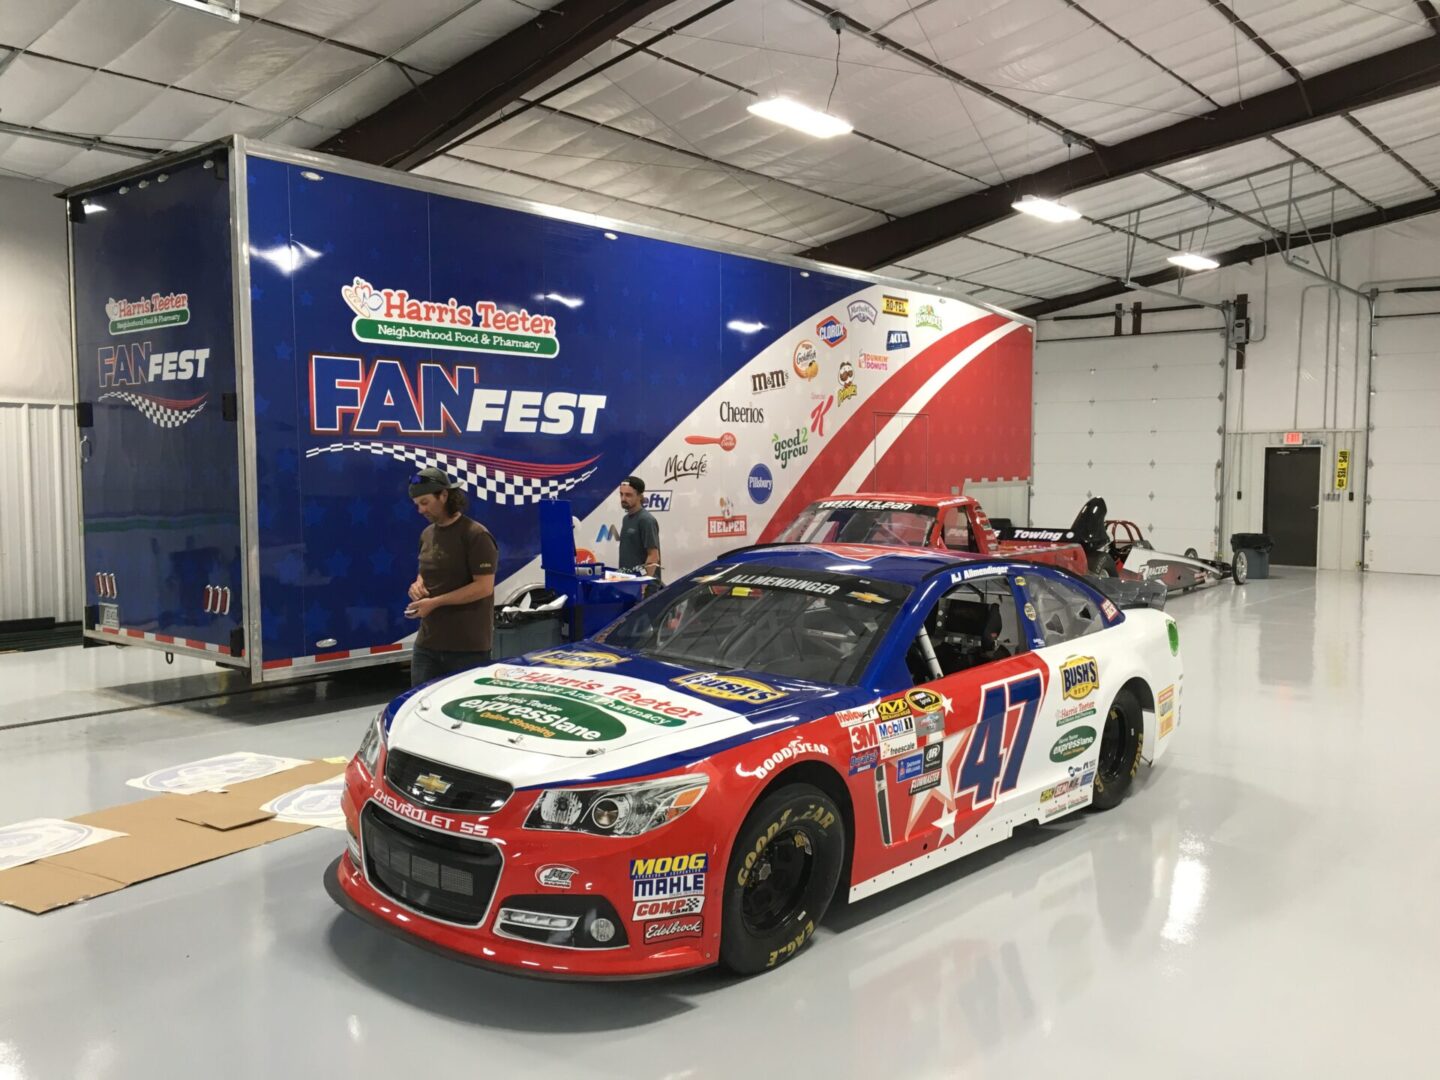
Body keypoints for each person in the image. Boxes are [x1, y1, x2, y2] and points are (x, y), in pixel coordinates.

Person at [403, 466, 498, 686]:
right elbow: (426, 569)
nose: (420, 510)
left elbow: (484, 587)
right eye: (417, 505)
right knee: (419, 706)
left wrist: (434, 603)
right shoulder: (427, 534)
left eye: (425, 503)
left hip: (467, 648)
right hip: (428, 643)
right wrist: (418, 584)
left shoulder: (476, 535)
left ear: (444, 495)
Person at [617, 475, 661, 582]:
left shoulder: (646, 520)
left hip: (644, 587)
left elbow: (653, 556)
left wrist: (643, 583)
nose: (623, 499)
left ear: (640, 496)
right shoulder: (626, 519)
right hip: (628, 581)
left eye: (628, 495)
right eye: (621, 494)